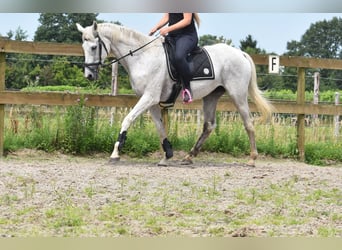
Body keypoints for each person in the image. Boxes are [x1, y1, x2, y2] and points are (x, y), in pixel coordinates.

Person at [149, 13, 200, 104]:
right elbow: (167, 17)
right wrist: (155, 28)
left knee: (179, 57)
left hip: (187, 36)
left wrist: (168, 29)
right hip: (173, 36)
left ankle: (187, 88)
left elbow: (187, 20)